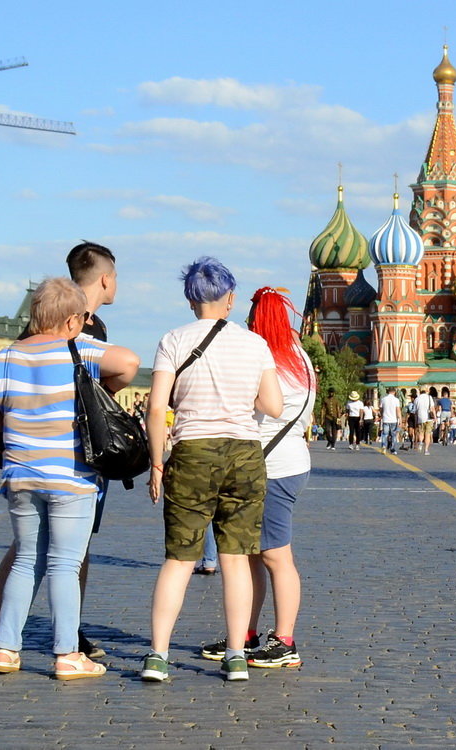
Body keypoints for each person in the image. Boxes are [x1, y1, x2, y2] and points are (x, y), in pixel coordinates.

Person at [0, 241, 126, 666]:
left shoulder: (5, 356)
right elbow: (128, 361)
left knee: (25, 560)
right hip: (69, 475)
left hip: (21, 474)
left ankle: (5, 649)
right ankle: (68, 654)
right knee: (67, 565)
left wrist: (16, 425)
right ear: (73, 320)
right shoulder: (77, 349)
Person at [141, 257, 282, 683]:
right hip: (244, 454)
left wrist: (156, 462)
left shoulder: (173, 340)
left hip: (192, 453)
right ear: (231, 299)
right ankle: (236, 655)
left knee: (179, 560)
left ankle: (158, 656)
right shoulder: (255, 344)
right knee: (236, 559)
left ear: (190, 301)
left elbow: (156, 406)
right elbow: (273, 406)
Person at [234, 286, 315, 669]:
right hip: (288, 461)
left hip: (272, 467)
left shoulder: (265, 359)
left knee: (275, 556)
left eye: (252, 318)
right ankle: (246, 633)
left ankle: (285, 640)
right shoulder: (300, 357)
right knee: (254, 555)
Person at [414, 387, 436, 455]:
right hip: (429, 418)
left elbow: (415, 411)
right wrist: (435, 417)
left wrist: (416, 419)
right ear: (427, 391)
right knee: (428, 434)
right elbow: (432, 408)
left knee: (421, 432)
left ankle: (420, 442)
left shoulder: (417, 399)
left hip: (420, 417)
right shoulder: (429, 397)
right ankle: (426, 450)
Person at [379, 388, 401, 454]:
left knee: (385, 434)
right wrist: (400, 419)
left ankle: (384, 446)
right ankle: (393, 449)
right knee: (393, 435)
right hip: (394, 420)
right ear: (394, 392)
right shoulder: (396, 400)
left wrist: (382, 415)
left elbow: (381, 409)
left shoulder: (383, 399)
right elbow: (398, 410)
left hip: (385, 419)